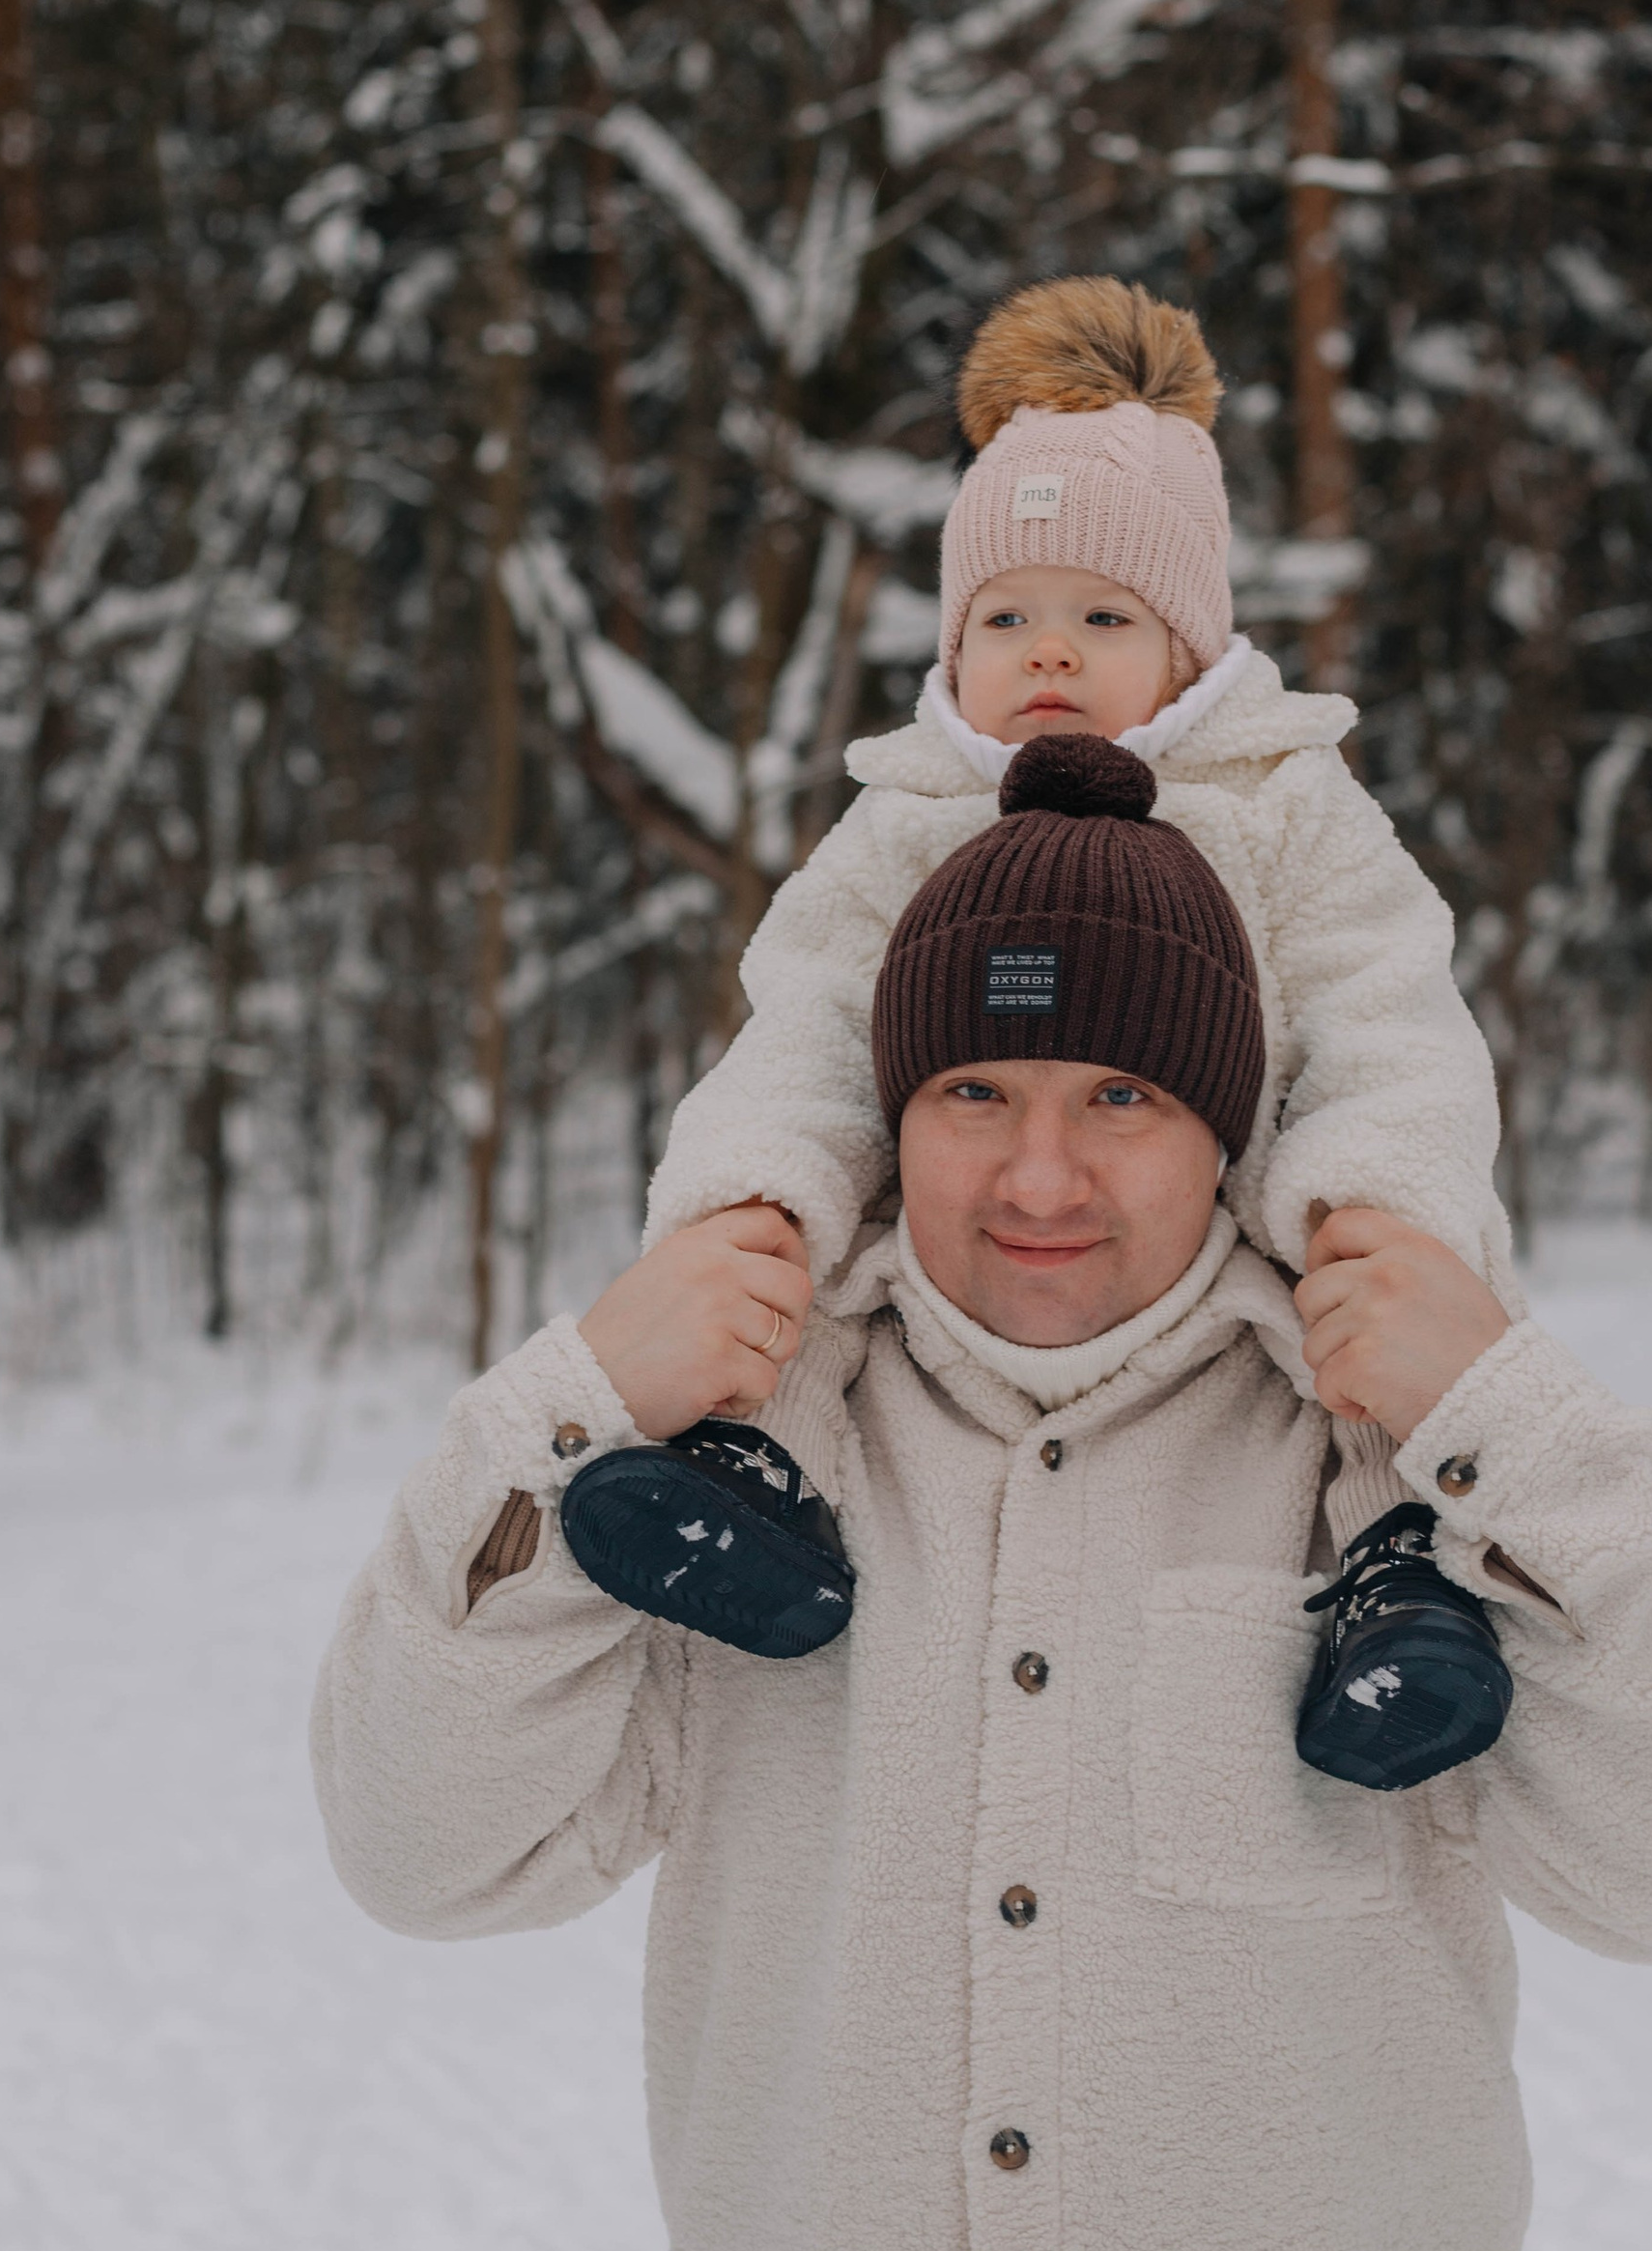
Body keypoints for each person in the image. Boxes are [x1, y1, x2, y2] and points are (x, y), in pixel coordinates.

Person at [312, 749, 1652, 2251]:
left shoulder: (1393, 1464)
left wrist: (1515, 1417)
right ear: (881, 1120)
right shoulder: (748, 1466)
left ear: (1230, 1126)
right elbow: (417, 1847)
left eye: (1120, 1098)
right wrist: (567, 1412)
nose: (1040, 1175)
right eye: (972, 1099)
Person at [590, 274, 1512, 1667]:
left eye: (1104, 618)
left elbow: (1386, 1013)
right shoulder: (908, 815)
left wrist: (1373, 1197)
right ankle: (756, 1483)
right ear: (955, 645)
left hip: (1235, 1189)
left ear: (1191, 646)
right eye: (1008, 621)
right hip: (966, 1209)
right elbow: (811, 1025)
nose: (1050, 656)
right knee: (826, 1268)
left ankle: (1398, 1571)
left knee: (1349, 1317)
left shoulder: (1280, 798)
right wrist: (754, 1198)